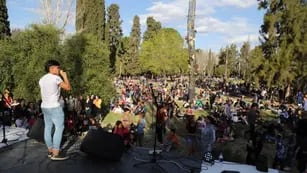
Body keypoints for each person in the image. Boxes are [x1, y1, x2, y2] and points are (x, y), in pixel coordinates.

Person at [39, 60, 71, 161]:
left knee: (48, 127)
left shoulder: (42, 79)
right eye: (58, 67)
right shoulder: (56, 78)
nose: (59, 69)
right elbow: (68, 87)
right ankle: (56, 153)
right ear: (51, 68)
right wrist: (64, 76)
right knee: (59, 128)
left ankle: (50, 150)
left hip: (44, 106)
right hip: (54, 107)